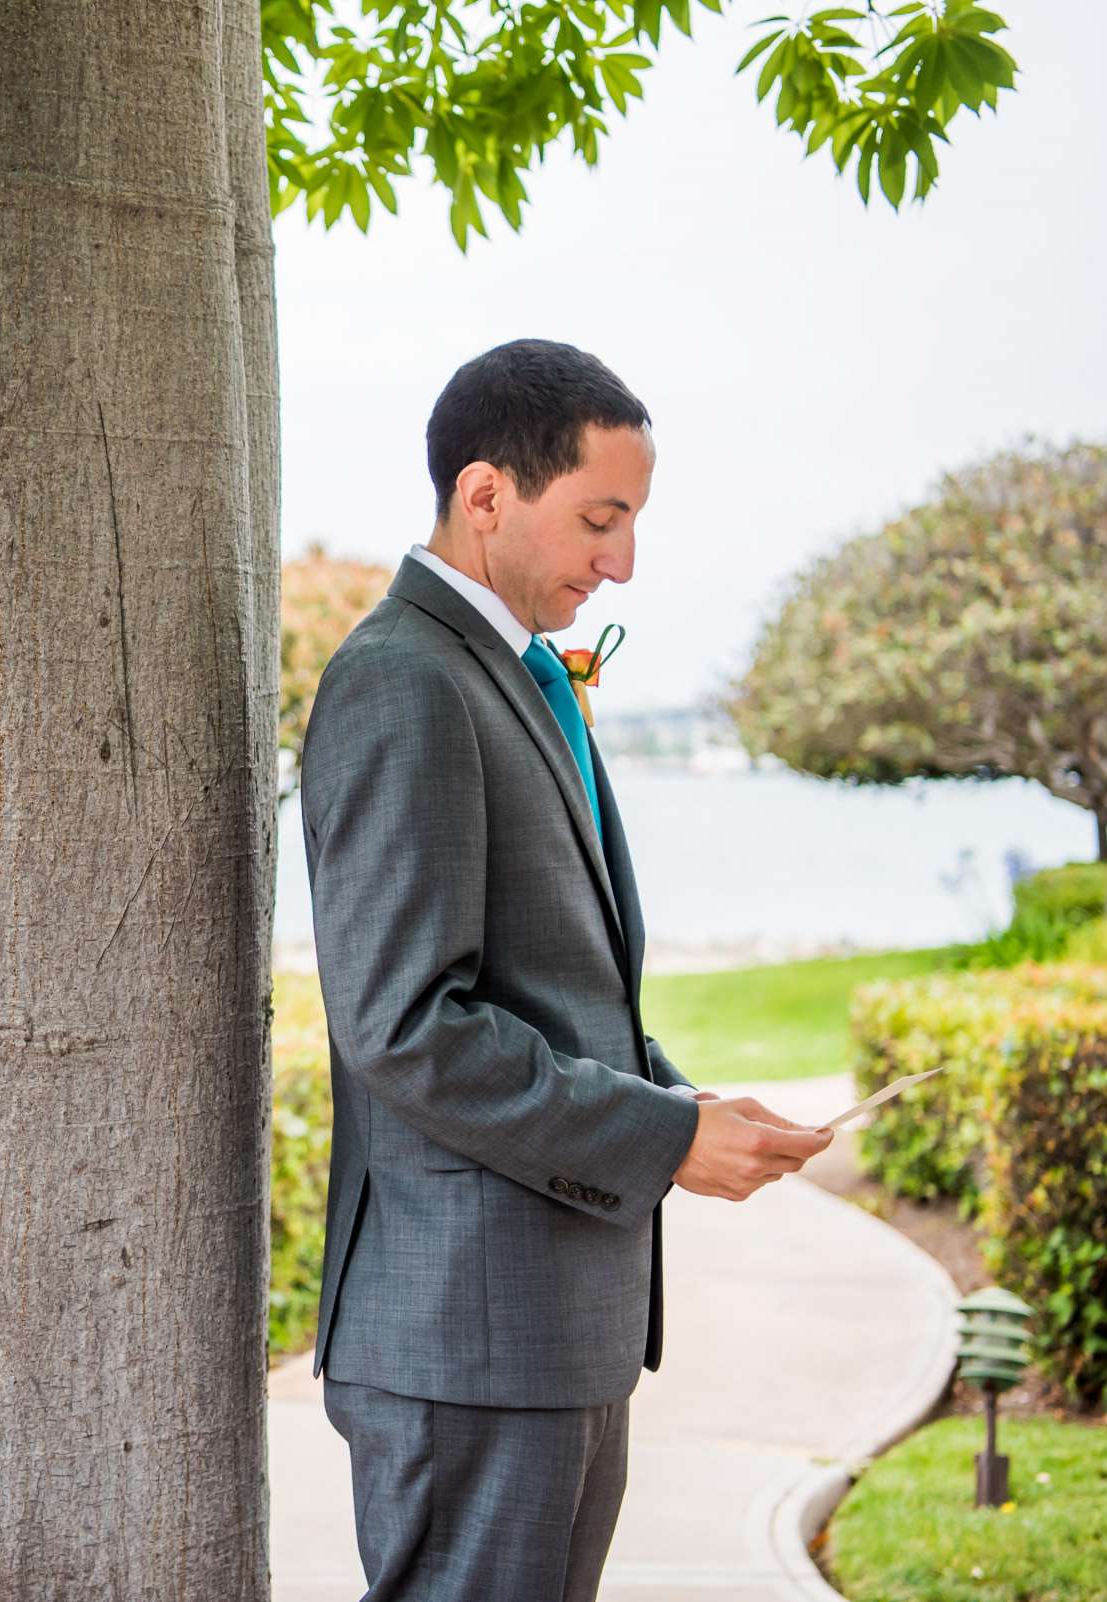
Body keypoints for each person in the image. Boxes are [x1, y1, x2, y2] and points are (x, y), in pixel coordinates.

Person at [297, 339, 833, 1602]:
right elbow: (408, 1027)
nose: (623, 562)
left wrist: (682, 1106)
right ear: (486, 495)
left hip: (541, 1328)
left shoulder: (517, 678)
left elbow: (557, 993)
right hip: (465, 1337)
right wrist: (654, 1144)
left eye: (632, 521)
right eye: (601, 518)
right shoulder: (402, 682)